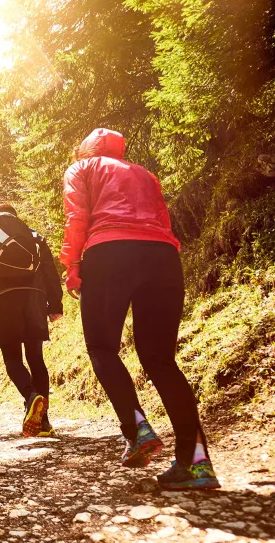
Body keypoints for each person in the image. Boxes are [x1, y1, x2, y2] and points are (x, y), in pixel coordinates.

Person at [62, 128, 219, 490]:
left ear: (86, 150)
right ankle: (196, 464)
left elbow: (76, 218)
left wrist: (72, 265)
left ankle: (138, 430)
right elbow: (164, 220)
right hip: (163, 256)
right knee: (161, 360)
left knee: (101, 348)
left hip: (110, 254)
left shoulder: (82, 169)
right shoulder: (145, 174)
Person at [0, 203, 63, 437]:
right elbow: (49, 270)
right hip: (35, 297)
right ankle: (44, 423)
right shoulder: (33, 235)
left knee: (12, 358)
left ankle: (31, 398)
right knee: (36, 358)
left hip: (3, 298)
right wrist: (55, 305)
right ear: (15, 217)